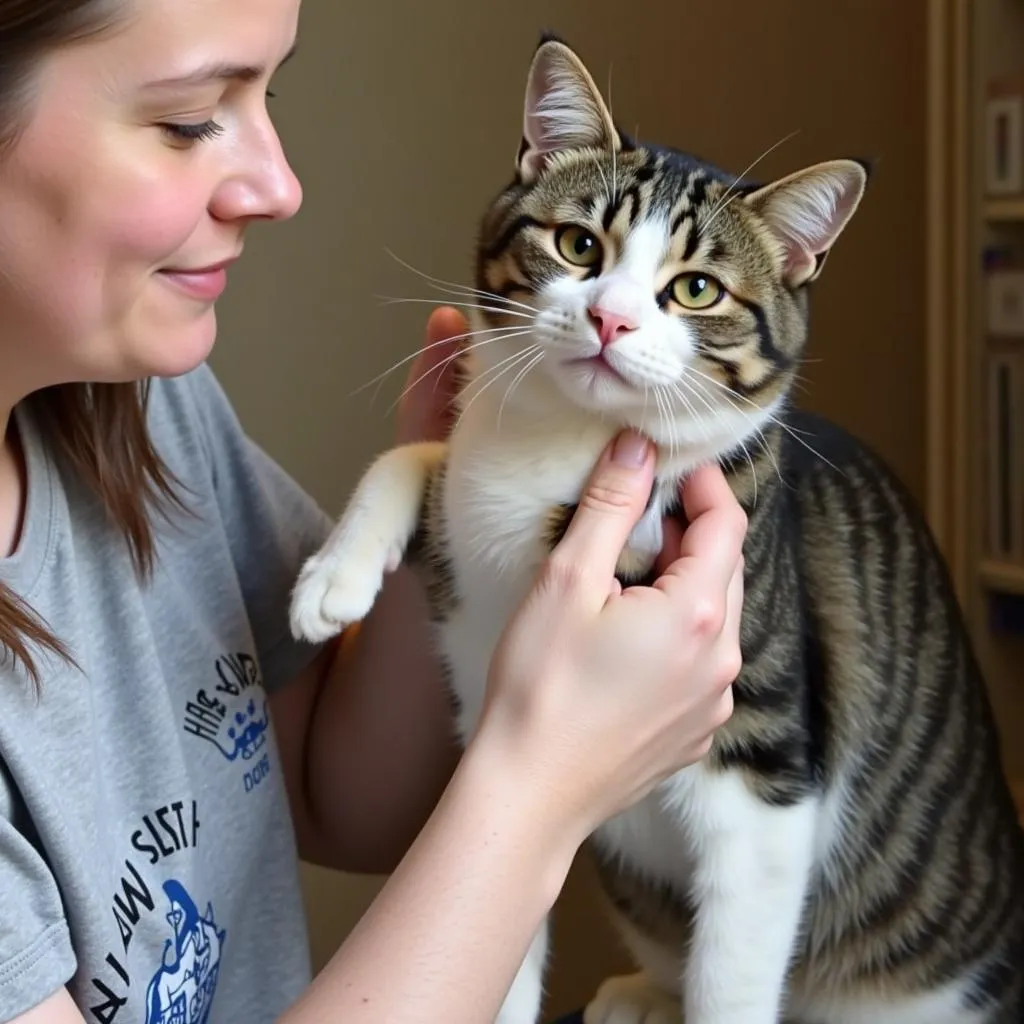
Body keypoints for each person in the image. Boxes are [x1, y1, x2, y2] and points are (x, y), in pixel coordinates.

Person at [0, 2, 747, 1023]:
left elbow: (335, 794)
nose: (280, 187)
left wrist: (441, 536)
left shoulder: (132, 406)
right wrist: (538, 793)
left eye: (269, 93)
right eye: (188, 119)